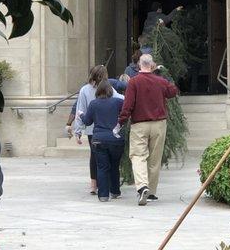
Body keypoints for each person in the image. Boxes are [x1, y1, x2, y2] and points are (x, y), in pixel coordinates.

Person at [115, 54, 178, 206]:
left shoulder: (134, 82)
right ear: (152, 65)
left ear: (138, 65)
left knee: (138, 156)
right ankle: (151, 192)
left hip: (139, 124)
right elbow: (173, 91)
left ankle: (142, 186)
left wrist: (121, 122)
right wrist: (163, 75)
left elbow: (128, 105)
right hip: (159, 124)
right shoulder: (161, 81)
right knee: (154, 160)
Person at [74, 65, 125, 195]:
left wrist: (78, 130)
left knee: (95, 157)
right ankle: (107, 186)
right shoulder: (108, 88)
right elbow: (120, 98)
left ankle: (94, 185)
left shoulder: (84, 90)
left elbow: (81, 110)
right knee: (108, 160)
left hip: (93, 130)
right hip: (106, 128)